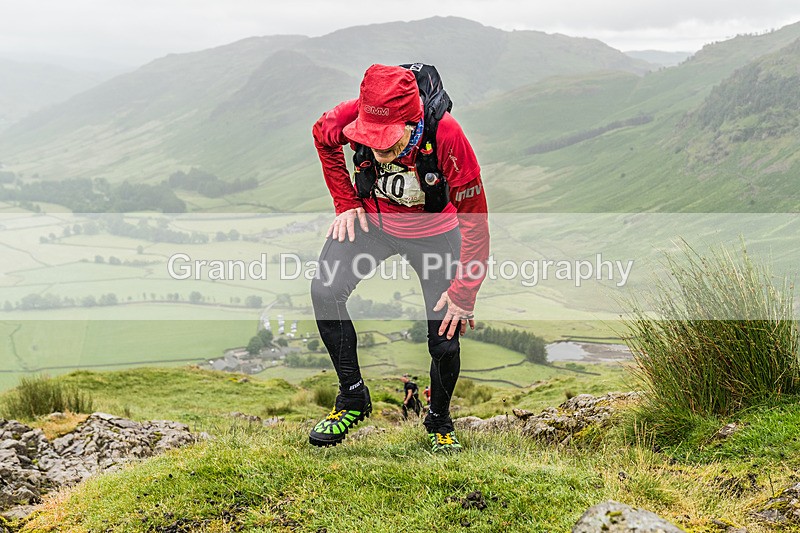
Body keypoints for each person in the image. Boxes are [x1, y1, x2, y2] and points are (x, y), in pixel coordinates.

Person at [308, 64, 490, 453]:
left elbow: (475, 221)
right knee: (325, 291)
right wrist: (345, 203)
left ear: (414, 121)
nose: (377, 152)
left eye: (389, 144)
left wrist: (465, 291)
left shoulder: (448, 135)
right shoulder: (352, 114)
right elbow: (322, 137)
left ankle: (439, 419)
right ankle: (352, 397)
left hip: (434, 235)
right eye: (370, 141)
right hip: (372, 224)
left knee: (444, 334)